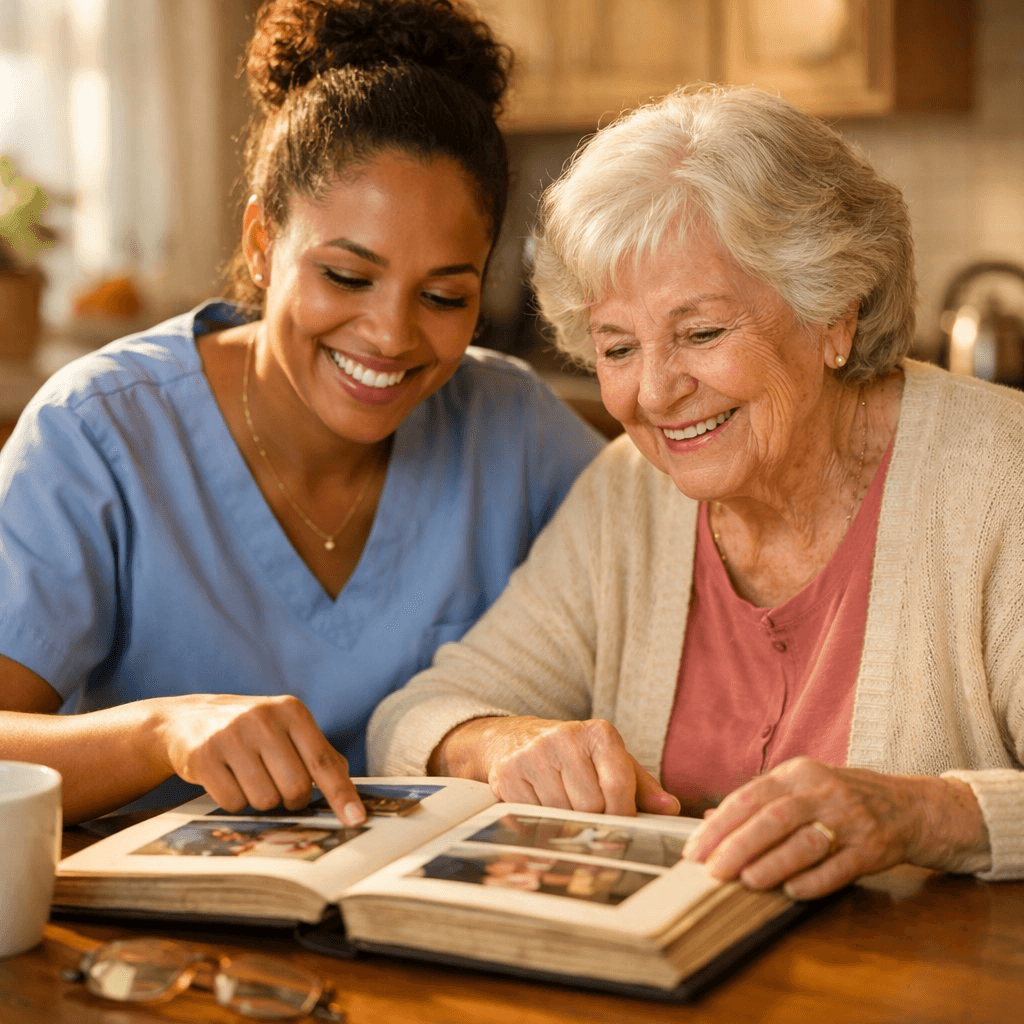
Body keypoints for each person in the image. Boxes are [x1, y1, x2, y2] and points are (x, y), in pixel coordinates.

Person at [368, 84, 1024, 899]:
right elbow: (415, 716)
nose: (653, 393)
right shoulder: (631, 495)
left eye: (702, 334)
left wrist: (922, 814)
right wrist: (500, 743)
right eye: (617, 348)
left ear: (835, 314)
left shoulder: (1001, 479)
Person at [0, 0, 603, 826]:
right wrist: (159, 732)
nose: (391, 336)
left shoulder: (515, 428)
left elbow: (686, 553)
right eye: (347, 278)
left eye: (443, 295)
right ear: (260, 242)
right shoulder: (100, 430)